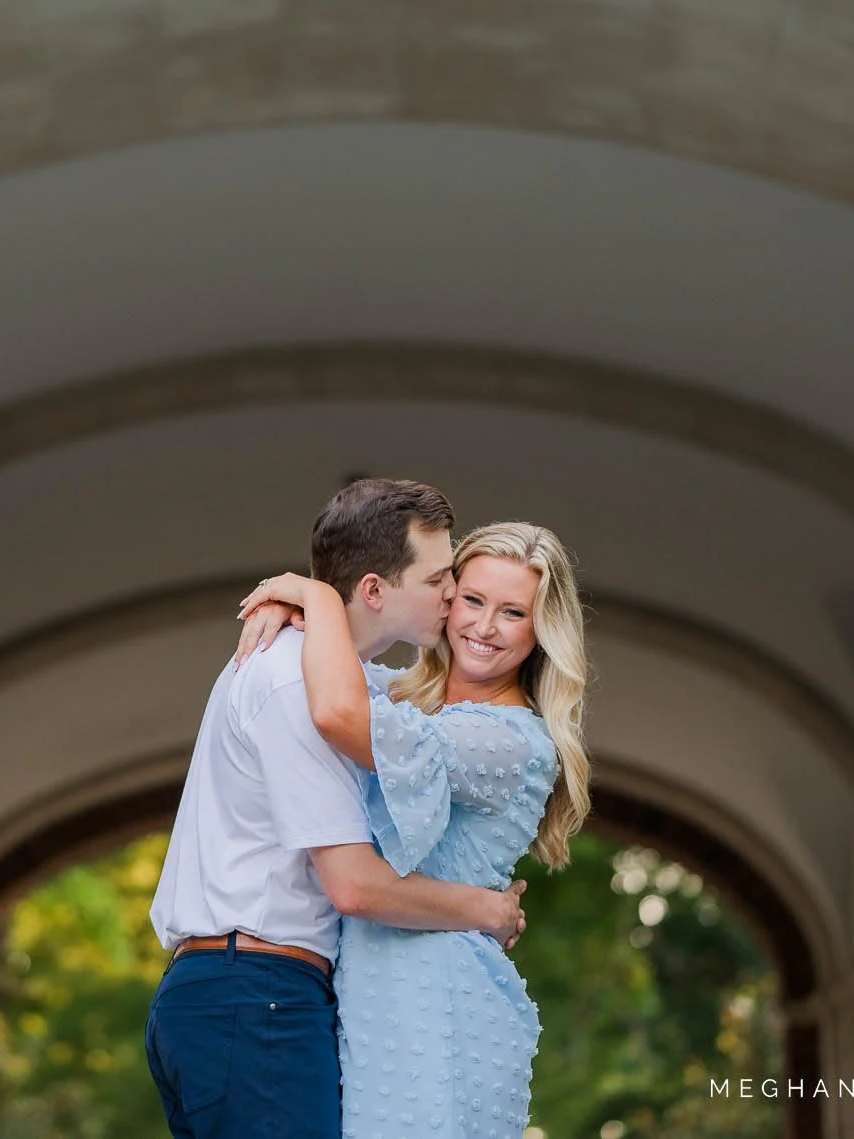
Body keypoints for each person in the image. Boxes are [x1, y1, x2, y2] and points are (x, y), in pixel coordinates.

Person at [146, 479, 529, 1139]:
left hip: (233, 995)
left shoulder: (322, 670)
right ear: (376, 589)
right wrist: (486, 908)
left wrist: (309, 594)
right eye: (440, 577)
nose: (453, 595)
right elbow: (351, 884)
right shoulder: (296, 679)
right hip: (258, 996)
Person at [233, 521, 592, 1139]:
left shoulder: (508, 740)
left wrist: (315, 594)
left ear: (541, 632)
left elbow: (340, 714)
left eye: (512, 612)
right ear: (446, 599)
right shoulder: (404, 702)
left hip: (440, 1004)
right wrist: (285, 602)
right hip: (365, 1000)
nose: (483, 627)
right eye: (473, 600)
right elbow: (336, 678)